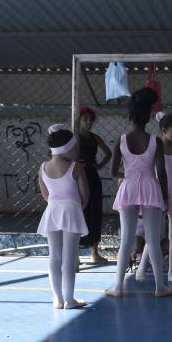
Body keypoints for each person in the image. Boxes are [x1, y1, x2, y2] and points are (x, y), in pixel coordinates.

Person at [105, 87, 172, 298]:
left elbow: (112, 171)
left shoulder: (122, 140)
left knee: (126, 238)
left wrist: (128, 174)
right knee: (153, 240)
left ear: (131, 115)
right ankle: (160, 287)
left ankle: (118, 286)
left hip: (128, 186)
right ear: (147, 118)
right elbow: (161, 173)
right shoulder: (155, 141)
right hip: (150, 186)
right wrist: (165, 197)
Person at [37, 124, 89, 309]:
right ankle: (69, 299)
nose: (76, 150)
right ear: (67, 148)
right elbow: (85, 194)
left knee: (54, 256)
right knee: (69, 257)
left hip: (52, 210)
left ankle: (57, 299)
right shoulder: (76, 167)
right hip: (71, 211)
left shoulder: (43, 167)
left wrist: (57, 204)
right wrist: (77, 206)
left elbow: (46, 195)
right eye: (74, 147)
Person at [139, 112, 172, 285]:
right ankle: (141, 268)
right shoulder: (153, 146)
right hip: (157, 191)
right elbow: (148, 170)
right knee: (153, 232)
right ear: (163, 130)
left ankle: (171, 273)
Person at [77, 105, 112, 264]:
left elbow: (109, 153)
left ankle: (94, 253)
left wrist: (99, 165)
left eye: (91, 121)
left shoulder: (95, 138)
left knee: (94, 214)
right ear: (79, 120)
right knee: (78, 214)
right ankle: (74, 253)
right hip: (77, 179)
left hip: (92, 178)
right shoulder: (73, 137)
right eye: (86, 120)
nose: (89, 123)